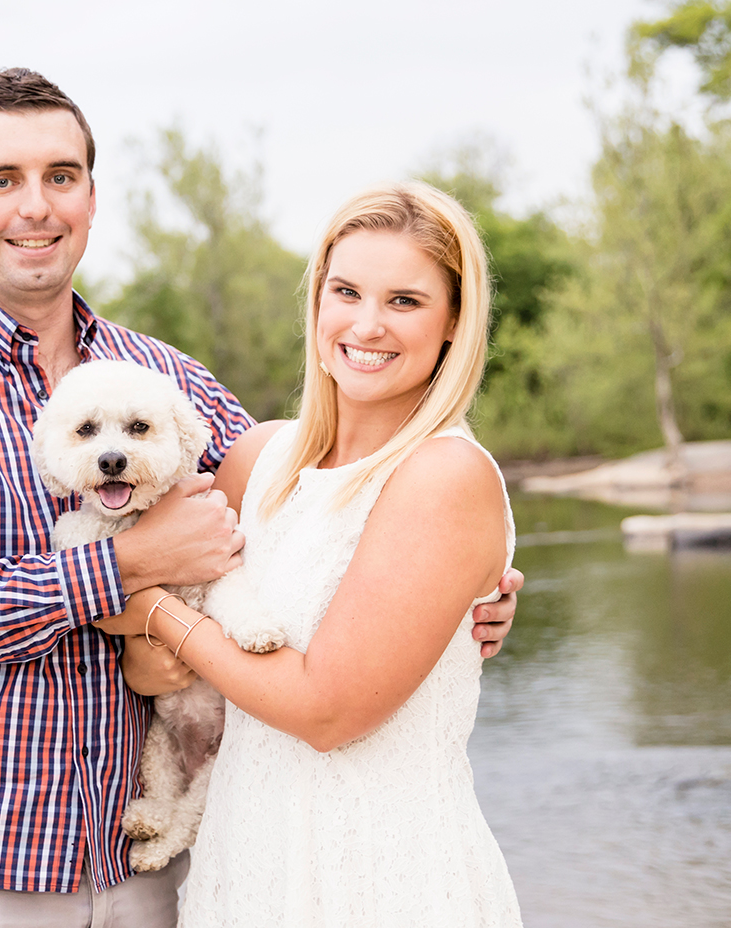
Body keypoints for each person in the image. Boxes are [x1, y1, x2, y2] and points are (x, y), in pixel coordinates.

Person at [0, 68, 522, 927]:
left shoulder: (164, 376)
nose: (36, 205)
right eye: (2, 181)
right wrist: (130, 569)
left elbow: (312, 503)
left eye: (61, 177)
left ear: (92, 199)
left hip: (148, 873)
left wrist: (471, 588)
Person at [96, 182, 523, 926]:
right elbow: (154, 582)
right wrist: (142, 645)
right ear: (317, 300)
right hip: (247, 863)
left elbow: (327, 712)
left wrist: (156, 614)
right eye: (346, 291)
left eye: (405, 301)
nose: (366, 324)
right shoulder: (255, 458)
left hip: (383, 875)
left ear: (455, 320)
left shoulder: (445, 475)